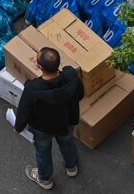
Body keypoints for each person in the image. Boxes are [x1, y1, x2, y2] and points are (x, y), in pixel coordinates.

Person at [14, 47, 84, 190]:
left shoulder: (33, 89)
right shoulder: (71, 76)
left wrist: (17, 128)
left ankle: (44, 179)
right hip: (67, 122)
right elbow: (80, 94)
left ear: (40, 67)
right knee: (67, 143)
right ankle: (72, 167)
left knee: (43, 152)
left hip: (42, 129)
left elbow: (24, 113)